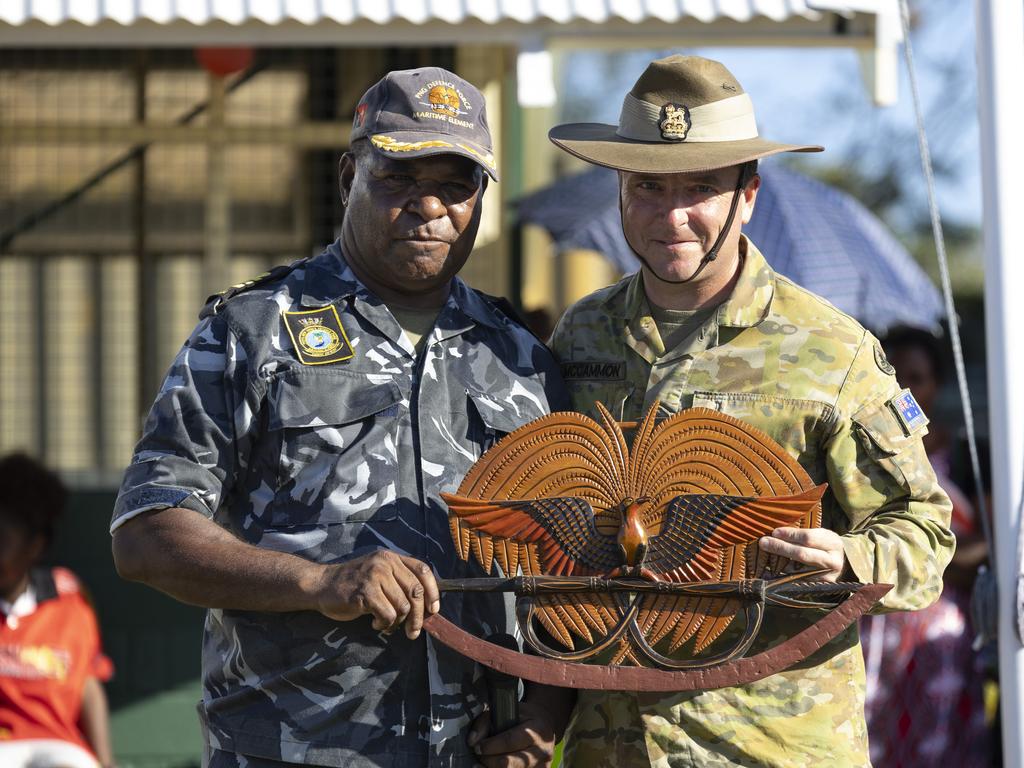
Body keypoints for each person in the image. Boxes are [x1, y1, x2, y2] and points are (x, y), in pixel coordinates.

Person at [111, 67, 570, 768]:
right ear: (350, 172)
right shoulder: (253, 331)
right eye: (399, 177)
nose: (429, 206)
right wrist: (319, 582)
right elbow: (145, 532)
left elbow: (567, 565)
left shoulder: (521, 358)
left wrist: (544, 714)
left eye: (456, 184)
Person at [545, 55, 955, 767]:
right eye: (648, 186)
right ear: (619, 191)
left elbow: (927, 531)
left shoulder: (834, 352)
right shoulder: (579, 336)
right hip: (611, 743)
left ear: (748, 195)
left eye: (701, 188)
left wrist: (852, 557)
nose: (671, 215)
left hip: (769, 743)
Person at [860, 325, 991, 766]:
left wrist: (916, 554)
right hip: (876, 623)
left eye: (917, 377)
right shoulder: (863, 453)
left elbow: (988, 549)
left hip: (938, 627)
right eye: (894, 375)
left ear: (937, 385)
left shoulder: (968, 458)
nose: (904, 388)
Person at [0, 453, 114, 768]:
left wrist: (106, 763)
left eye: (2, 541)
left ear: (34, 546)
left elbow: (87, 682)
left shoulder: (69, 596)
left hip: (58, 744)